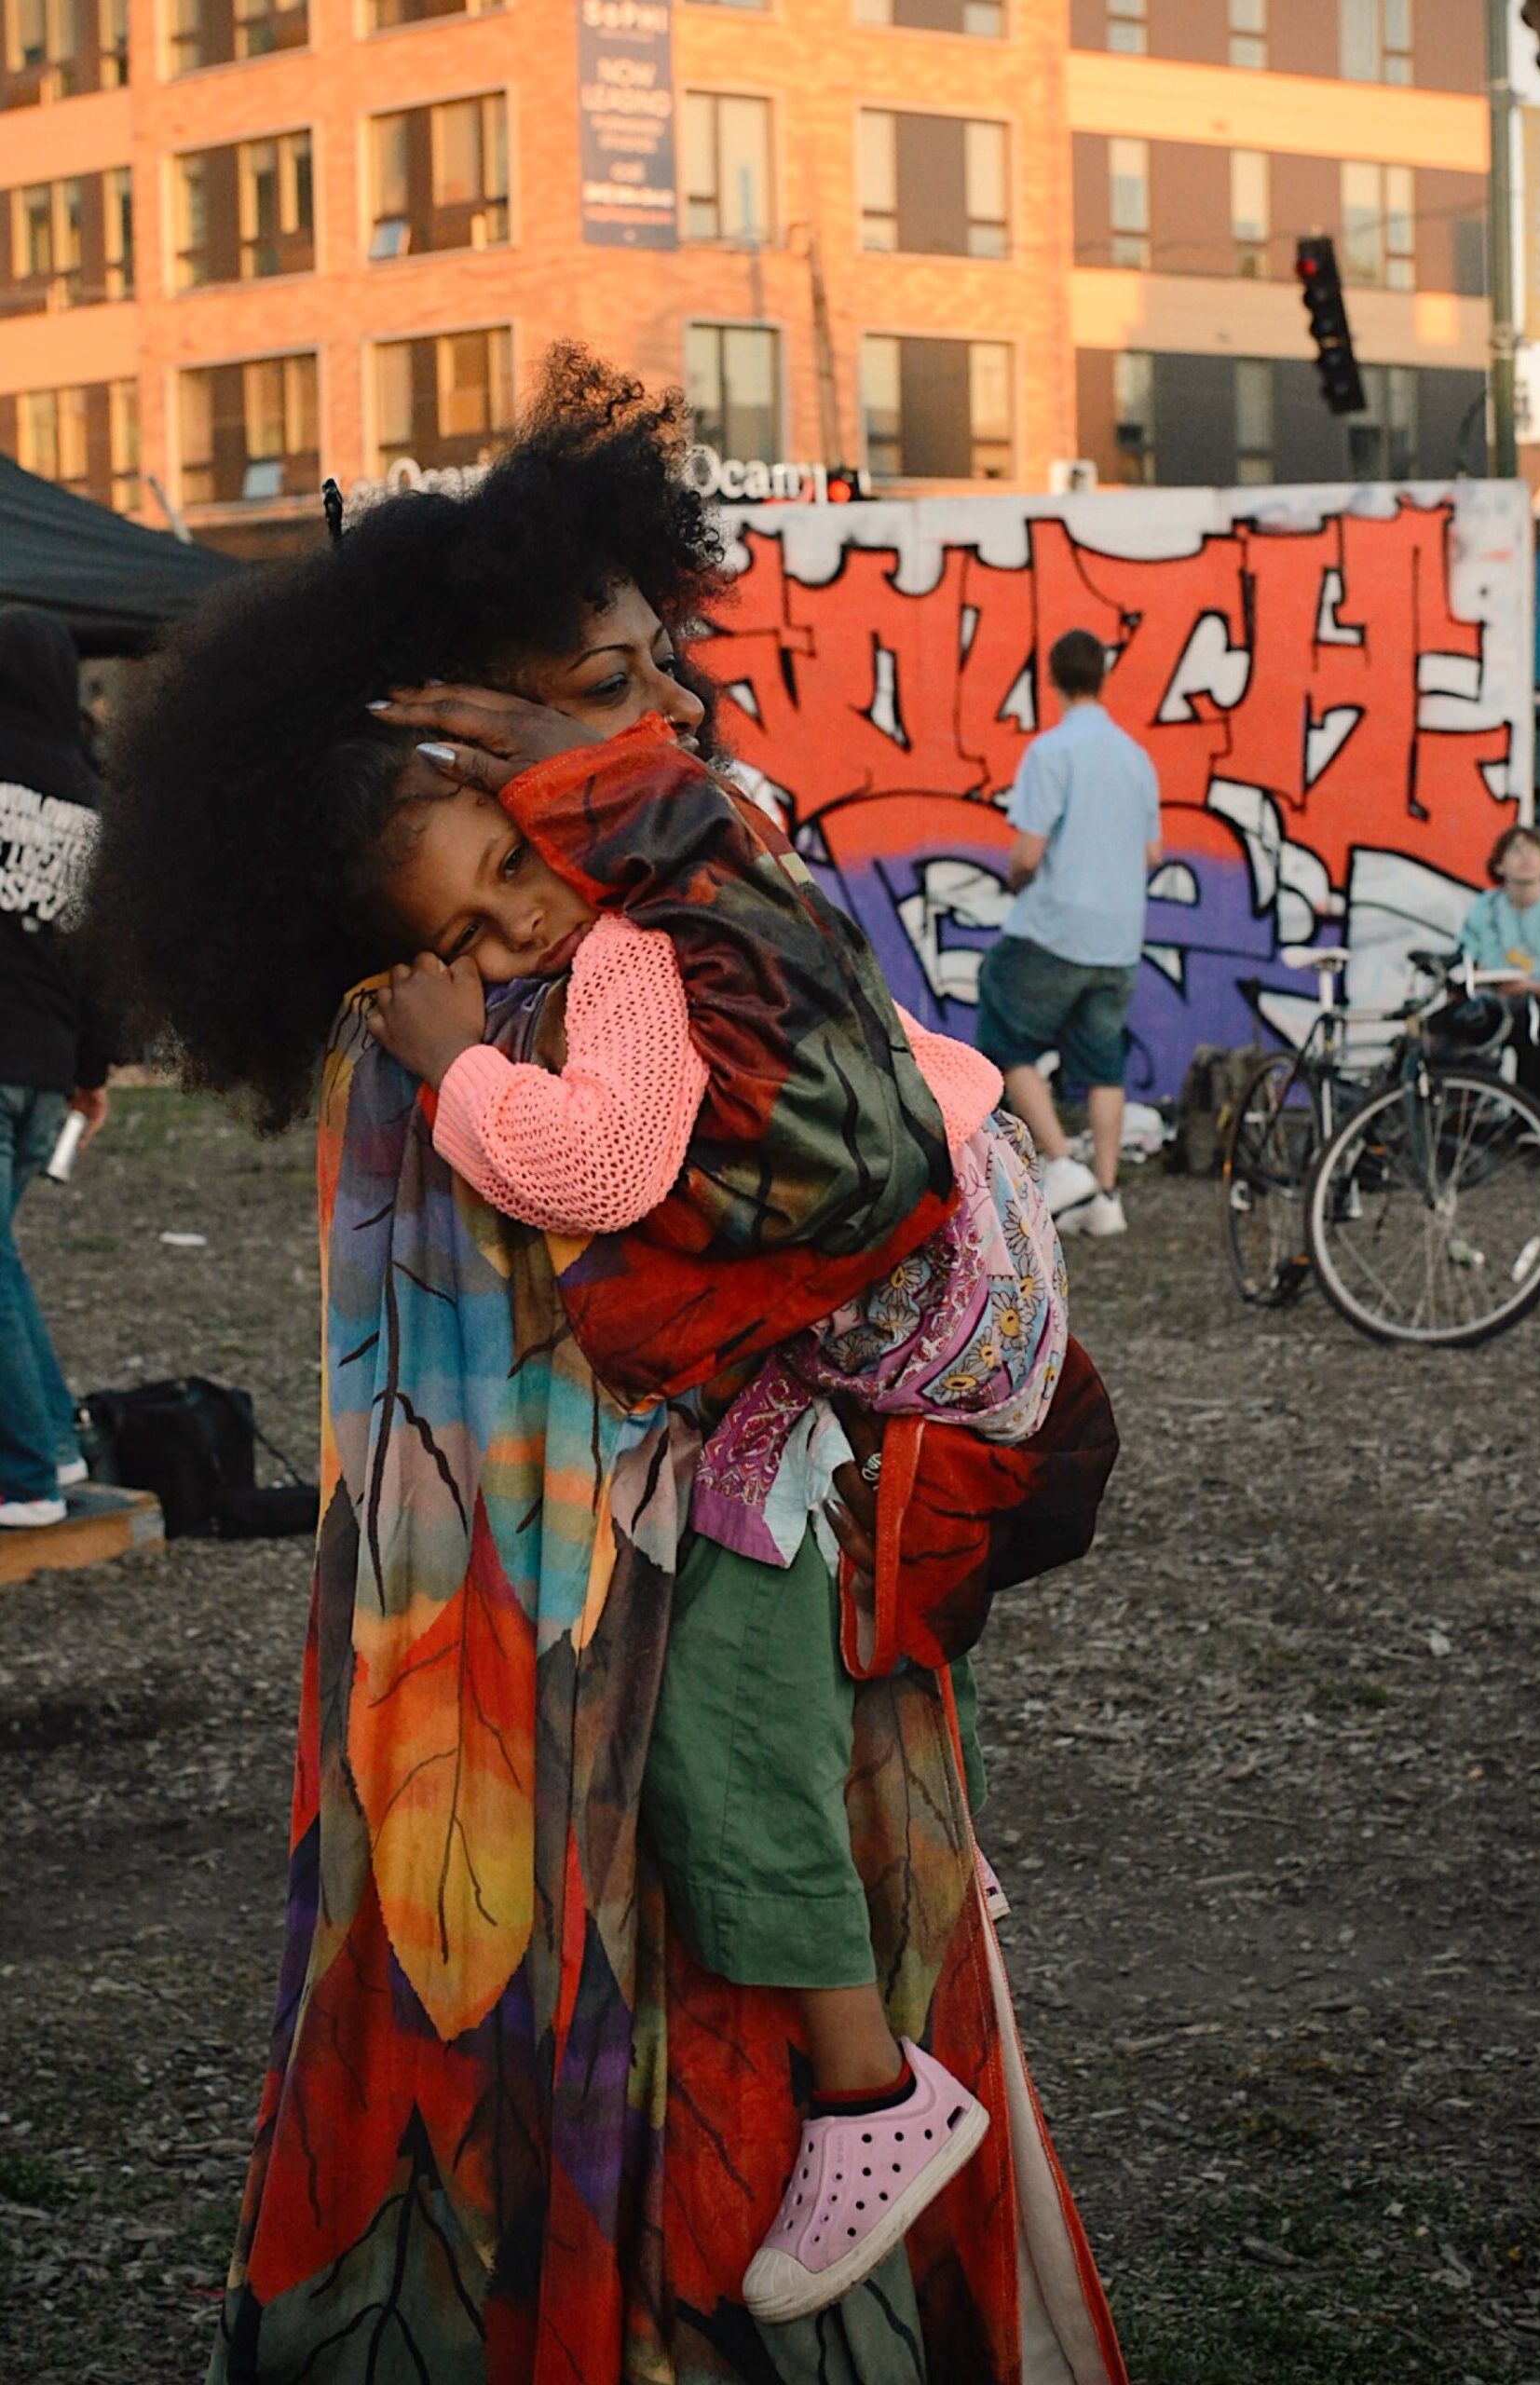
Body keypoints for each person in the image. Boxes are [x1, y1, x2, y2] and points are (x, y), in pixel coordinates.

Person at [81, 349, 1127, 2385]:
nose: (669, 709)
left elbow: (855, 1168)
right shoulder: (524, 973)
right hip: (532, 1668)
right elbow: (794, 1180)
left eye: (664, 662)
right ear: (458, 737)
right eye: (603, 682)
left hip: (651, 1612)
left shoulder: (632, 921)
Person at [356, 697, 1072, 2319]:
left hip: (928, 1302)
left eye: (508, 875)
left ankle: (875, 2092)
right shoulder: (720, 871)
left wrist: (457, 1065)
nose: (510, 934)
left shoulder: (627, 951)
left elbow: (601, 1170)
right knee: (835, 1582)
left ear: (556, 815)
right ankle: (928, 1861)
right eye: (468, 935)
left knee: (723, 1687)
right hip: (976, 1260)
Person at [977, 627, 1161, 1239]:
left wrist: (1014, 879)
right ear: (1103, 677)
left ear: (1051, 679)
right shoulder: (1136, 758)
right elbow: (1152, 852)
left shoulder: (1050, 753)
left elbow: (1028, 854)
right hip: (1119, 935)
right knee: (1103, 1064)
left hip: (1055, 927)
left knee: (1003, 1025)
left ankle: (1062, 1163)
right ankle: (1106, 1197)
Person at [0, 606, 111, 1529]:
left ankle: (27, 1477)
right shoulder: (92, 798)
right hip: (44, 1069)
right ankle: (60, 1449)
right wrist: (91, 1073)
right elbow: (106, 964)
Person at [1458, 825, 1540, 1098]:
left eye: (1534, 851)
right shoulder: (1485, 906)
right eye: (1517, 850)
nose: (1526, 857)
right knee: (1449, 1026)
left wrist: (1527, 986)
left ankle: (1528, 1108)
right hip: (1494, 1000)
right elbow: (1470, 962)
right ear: (1499, 865)